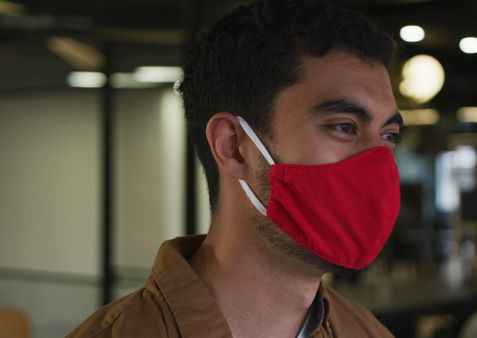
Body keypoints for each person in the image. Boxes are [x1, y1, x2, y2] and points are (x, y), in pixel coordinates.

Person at [69, 0, 403, 337]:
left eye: (389, 135)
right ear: (233, 147)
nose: (380, 164)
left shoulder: (367, 332)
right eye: (344, 126)